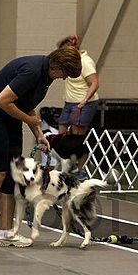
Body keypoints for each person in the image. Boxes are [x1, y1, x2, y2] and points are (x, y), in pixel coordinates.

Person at [0, 46, 82, 248]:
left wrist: (38, 134)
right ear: (58, 66)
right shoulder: (33, 71)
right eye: (66, 73)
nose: (64, 78)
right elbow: (2, 100)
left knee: (11, 173)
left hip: (8, 114)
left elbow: (26, 104)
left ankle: (6, 232)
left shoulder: (46, 77)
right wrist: (31, 121)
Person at [57, 34, 99, 178]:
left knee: (76, 139)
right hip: (69, 103)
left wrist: (84, 100)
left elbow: (94, 83)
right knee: (62, 133)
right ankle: (68, 167)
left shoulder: (85, 62)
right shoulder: (71, 63)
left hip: (83, 104)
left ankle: (79, 170)